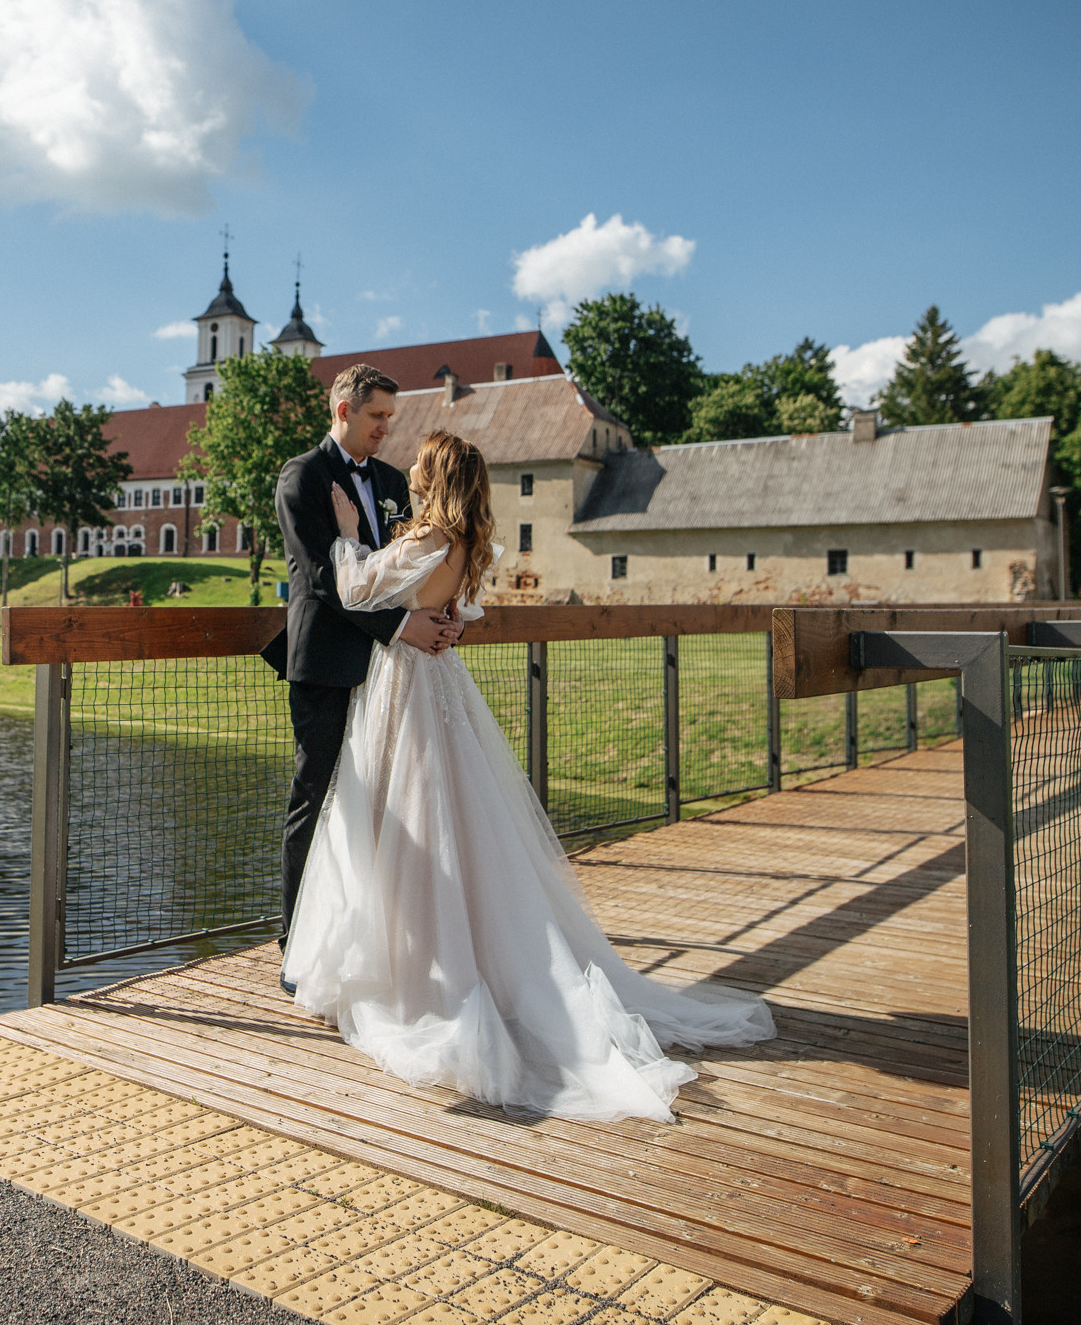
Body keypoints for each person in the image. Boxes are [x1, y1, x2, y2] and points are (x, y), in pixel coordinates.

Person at [283, 429, 777, 1123]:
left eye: (424, 462)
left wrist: (344, 533)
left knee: (407, 820)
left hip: (406, 689)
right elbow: (460, 610)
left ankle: (422, 972)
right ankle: (447, 952)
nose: (413, 467)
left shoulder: (428, 541)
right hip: (438, 682)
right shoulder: (462, 543)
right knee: (448, 820)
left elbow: (355, 587)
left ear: (438, 476)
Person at [270, 365, 464, 968]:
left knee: (386, 804)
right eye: (377, 416)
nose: (386, 428)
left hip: (391, 676)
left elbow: (404, 571)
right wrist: (403, 628)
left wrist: (445, 613)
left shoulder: (387, 480)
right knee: (317, 797)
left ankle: (377, 940)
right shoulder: (302, 476)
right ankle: (295, 947)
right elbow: (322, 579)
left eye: (390, 418)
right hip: (327, 664)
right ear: (343, 410)